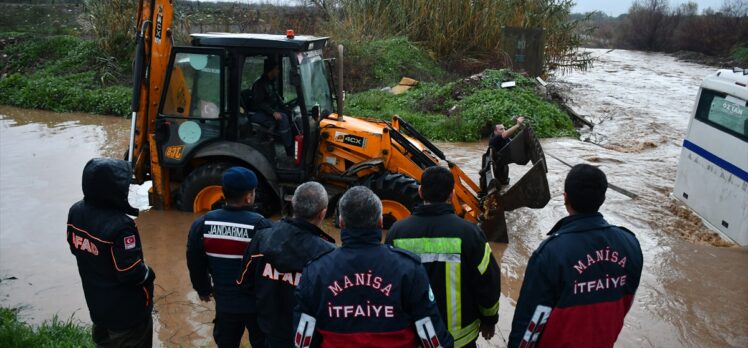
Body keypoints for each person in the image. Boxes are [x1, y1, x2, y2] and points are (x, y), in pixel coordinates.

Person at [294, 186, 454, 348]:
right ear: (380, 222)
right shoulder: (409, 269)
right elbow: (431, 335)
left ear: (341, 223)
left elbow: (303, 340)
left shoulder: (316, 272)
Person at [508, 164, 644, 348]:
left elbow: (531, 322)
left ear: (565, 198)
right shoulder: (630, 245)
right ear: (603, 198)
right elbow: (624, 304)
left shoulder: (550, 253)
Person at [386, 166, 501, 348]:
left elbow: (387, 285)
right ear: (452, 193)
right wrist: (489, 320)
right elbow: (488, 282)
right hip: (460, 339)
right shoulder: (469, 233)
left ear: (420, 192)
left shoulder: (397, 232)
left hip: (413, 338)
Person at [66, 158, 155, 347]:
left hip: (98, 306)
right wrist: (149, 274)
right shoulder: (121, 226)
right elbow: (130, 272)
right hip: (127, 314)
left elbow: (75, 248)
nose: (125, 189)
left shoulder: (76, 211)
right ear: (111, 190)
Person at [236, 181, 336, 347]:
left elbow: (244, 284)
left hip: (267, 330)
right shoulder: (328, 254)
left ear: (292, 204)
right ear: (322, 213)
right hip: (305, 338)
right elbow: (330, 303)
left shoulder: (262, 238)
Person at [186, 166, 272, 348]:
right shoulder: (261, 225)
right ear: (249, 196)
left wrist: (202, 289)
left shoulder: (203, 224)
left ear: (223, 192)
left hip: (225, 302)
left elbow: (195, 261)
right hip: (255, 304)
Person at [251, 57, 294, 157]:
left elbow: (276, 98)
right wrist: (273, 112)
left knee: (289, 113)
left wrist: (286, 107)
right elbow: (259, 103)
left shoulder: (271, 82)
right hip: (257, 113)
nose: (278, 71)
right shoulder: (260, 85)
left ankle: (294, 144)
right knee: (283, 118)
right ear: (271, 70)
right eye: (277, 68)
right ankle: (289, 151)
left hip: (269, 111)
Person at [487, 116, 525, 185]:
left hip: (503, 167)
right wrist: (517, 125)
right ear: (495, 131)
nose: (504, 130)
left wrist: (522, 128)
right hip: (496, 169)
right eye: (501, 129)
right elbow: (505, 134)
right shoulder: (493, 140)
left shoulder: (505, 138)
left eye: (504, 128)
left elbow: (513, 142)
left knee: (505, 184)